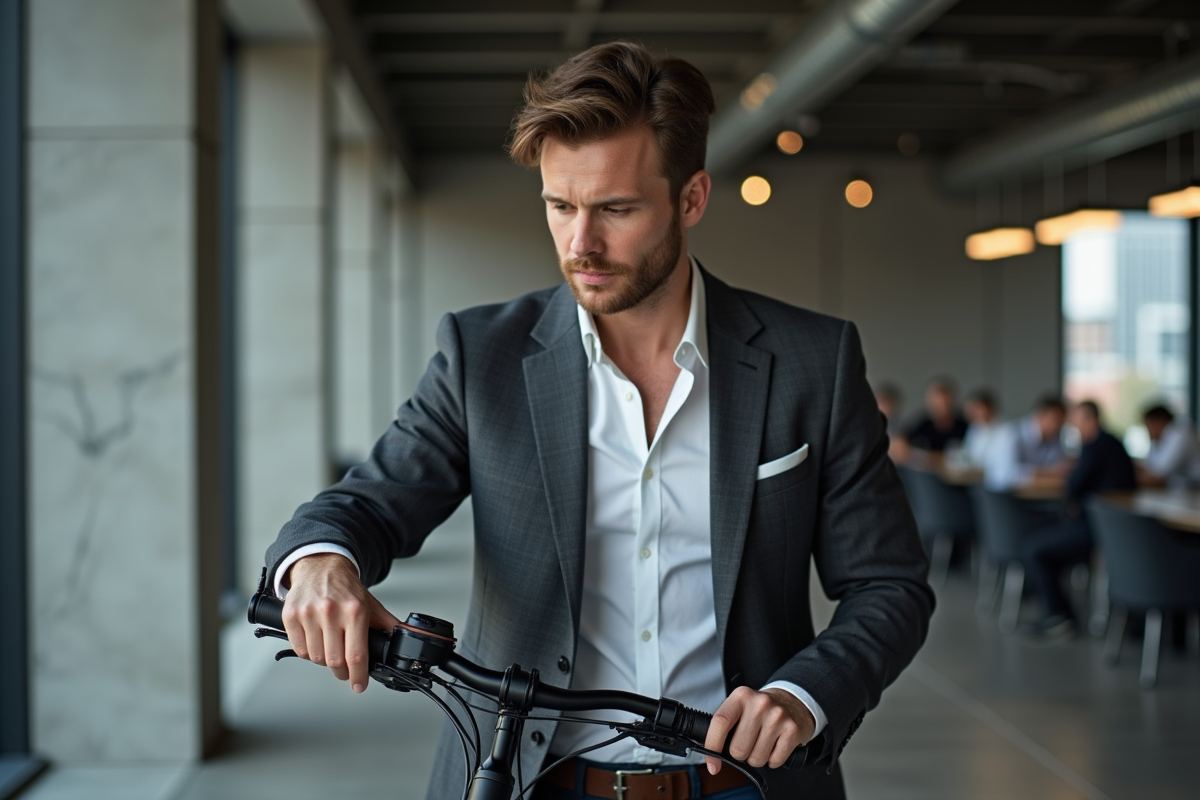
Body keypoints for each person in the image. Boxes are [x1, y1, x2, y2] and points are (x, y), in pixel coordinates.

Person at [265, 42, 933, 800]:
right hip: (527, 781)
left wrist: (801, 698)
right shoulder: (480, 356)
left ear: (690, 199)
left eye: (615, 209)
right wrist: (322, 562)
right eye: (560, 206)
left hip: (746, 786)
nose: (580, 244)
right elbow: (367, 503)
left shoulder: (815, 360)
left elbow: (889, 585)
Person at [1020, 400, 1135, 644]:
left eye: (1076, 422)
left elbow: (1073, 487)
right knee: (1048, 546)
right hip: (1121, 531)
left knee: (1034, 548)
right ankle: (1062, 613)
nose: (1073, 428)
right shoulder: (1114, 443)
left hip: (1097, 530)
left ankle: (1058, 617)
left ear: (1089, 420)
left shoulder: (1094, 447)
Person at [983, 395, 1068, 491]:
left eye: (1062, 421)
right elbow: (1009, 474)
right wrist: (1049, 472)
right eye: (1056, 419)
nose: (1059, 425)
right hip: (1004, 496)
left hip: (1037, 495)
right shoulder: (1010, 434)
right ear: (1040, 415)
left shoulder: (1053, 438)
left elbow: (1059, 467)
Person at [1139, 404, 1200, 488]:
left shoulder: (1181, 434)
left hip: (1195, 491)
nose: (1147, 431)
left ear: (1159, 422)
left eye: (1147, 426)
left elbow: (1157, 476)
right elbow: (1149, 469)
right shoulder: (1158, 440)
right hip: (1182, 491)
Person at [903, 378, 968, 454]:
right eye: (935, 404)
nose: (938, 409)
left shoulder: (965, 428)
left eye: (943, 404)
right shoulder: (921, 426)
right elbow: (903, 442)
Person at [961, 389, 999, 468]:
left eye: (977, 408)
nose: (973, 412)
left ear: (988, 408)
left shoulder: (1004, 432)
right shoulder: (974, 428)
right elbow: (968, 455)